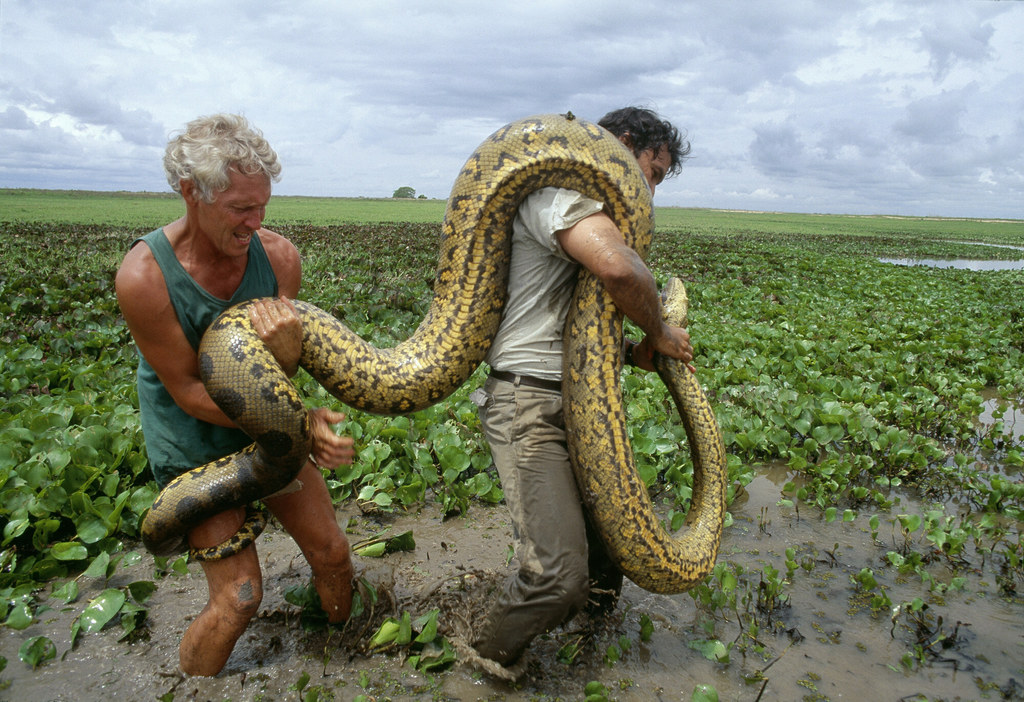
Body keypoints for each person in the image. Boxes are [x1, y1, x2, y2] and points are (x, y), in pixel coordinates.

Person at [115, 114, 356, 677]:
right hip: (195, 438)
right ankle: (195, 689)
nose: (255, 221)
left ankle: (345, 665)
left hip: (270, 430)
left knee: (334, 555)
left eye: (262, 205)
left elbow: (274, 374)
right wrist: (300, 424)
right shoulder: (144, 276)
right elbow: (189, 389)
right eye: (240, 208)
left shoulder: (280, 259)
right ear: (190, 193)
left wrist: (292, 360)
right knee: (239, 598)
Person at [469, 106, 693, 666]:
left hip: (580, 403)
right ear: (619, 144)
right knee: (558, 579)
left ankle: (588, 661)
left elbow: (579, 325)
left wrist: (633, 353)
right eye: (653, 172)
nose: (650, 190)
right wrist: (660, 328)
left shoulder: (590, 215)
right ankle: (481, 662)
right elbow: (618, 272)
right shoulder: (559, 199)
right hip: (529, 403)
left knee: (608, 556)